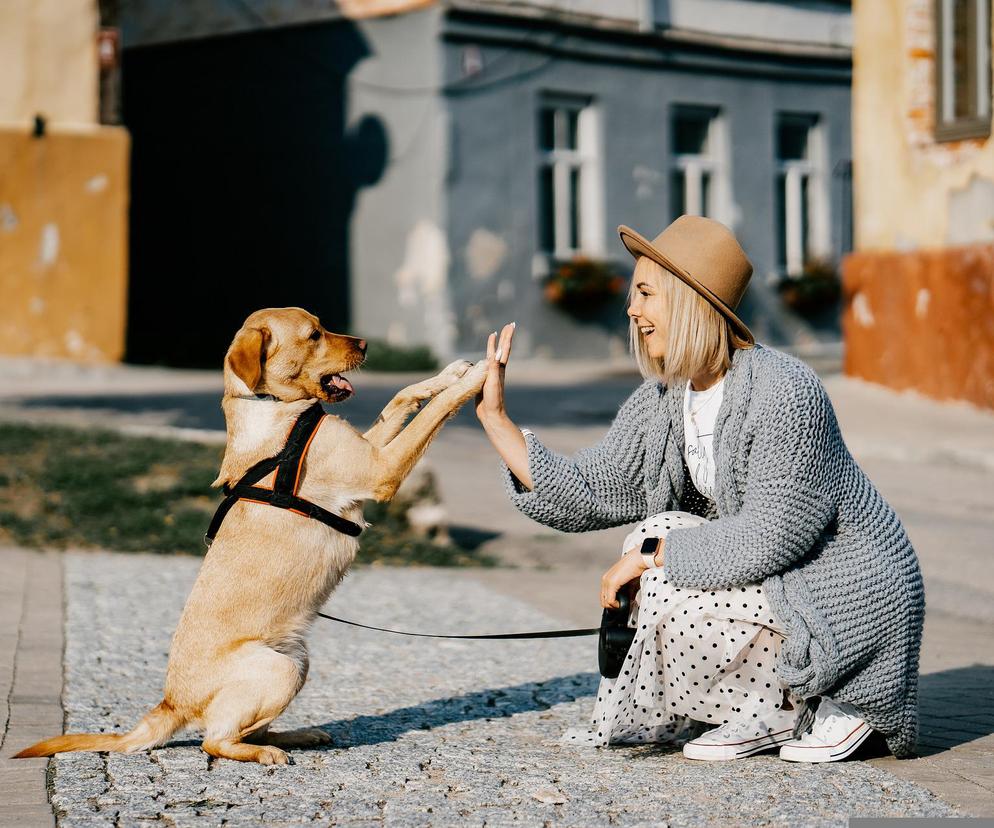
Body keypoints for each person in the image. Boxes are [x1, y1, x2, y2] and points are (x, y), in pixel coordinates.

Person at [474, 215, 925, 763]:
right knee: (654, 534)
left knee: (657, 555)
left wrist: (651, 558)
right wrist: (497, 420)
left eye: (645, 293)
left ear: (688, 300)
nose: (631, 310)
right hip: (781, 582)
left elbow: (773, 534)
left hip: (846, 591)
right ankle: (758, 707)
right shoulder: (665, 398)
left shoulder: (785, 391)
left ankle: (808, 702)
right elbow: (592, 489)